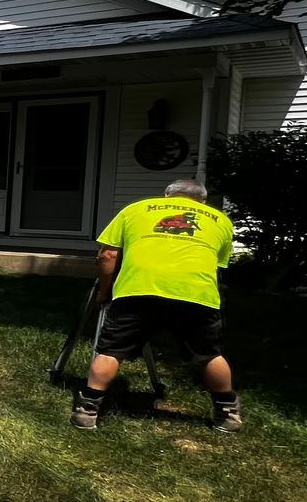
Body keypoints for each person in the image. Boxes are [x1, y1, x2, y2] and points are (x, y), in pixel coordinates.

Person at [73, 177, 240, 432]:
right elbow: (216, 265)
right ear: (201, 201)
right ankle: (228, 413)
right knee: (209, 354)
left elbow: (108, 255)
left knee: (111, 350)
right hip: (196, 293)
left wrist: (104, 292)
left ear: (166, 196)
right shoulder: (221, 221)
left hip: (138, 290)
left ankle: (87, 410)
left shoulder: (137, 209)